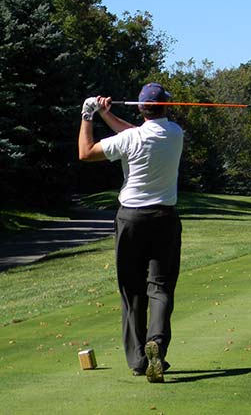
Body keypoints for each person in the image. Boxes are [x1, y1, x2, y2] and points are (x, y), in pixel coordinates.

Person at [78, 83, 184, 383]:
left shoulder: (130, 139)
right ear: (166, 107)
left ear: (140, 108)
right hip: (164, 218)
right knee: (160, 289)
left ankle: (139, 359)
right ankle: (157, 346)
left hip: (131, 220)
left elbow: (86, 153)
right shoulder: (175, 133)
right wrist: (104, 113)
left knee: (132, 291)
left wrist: (89, 115)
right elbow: (135, 132)